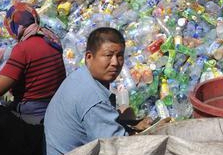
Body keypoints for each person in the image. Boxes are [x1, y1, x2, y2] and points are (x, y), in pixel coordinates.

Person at [44, 27, 152, 155]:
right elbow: (118, 148)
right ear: (89, 57)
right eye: (108, 55)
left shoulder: (80, 76)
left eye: (119, 56)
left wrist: (132, 125)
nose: (115, 62)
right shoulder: (93, 98)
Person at [0, 1, 66, 124]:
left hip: (32, 115)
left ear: (13, 25)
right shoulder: (51, 39)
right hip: (56, 107)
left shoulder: (23, 49)